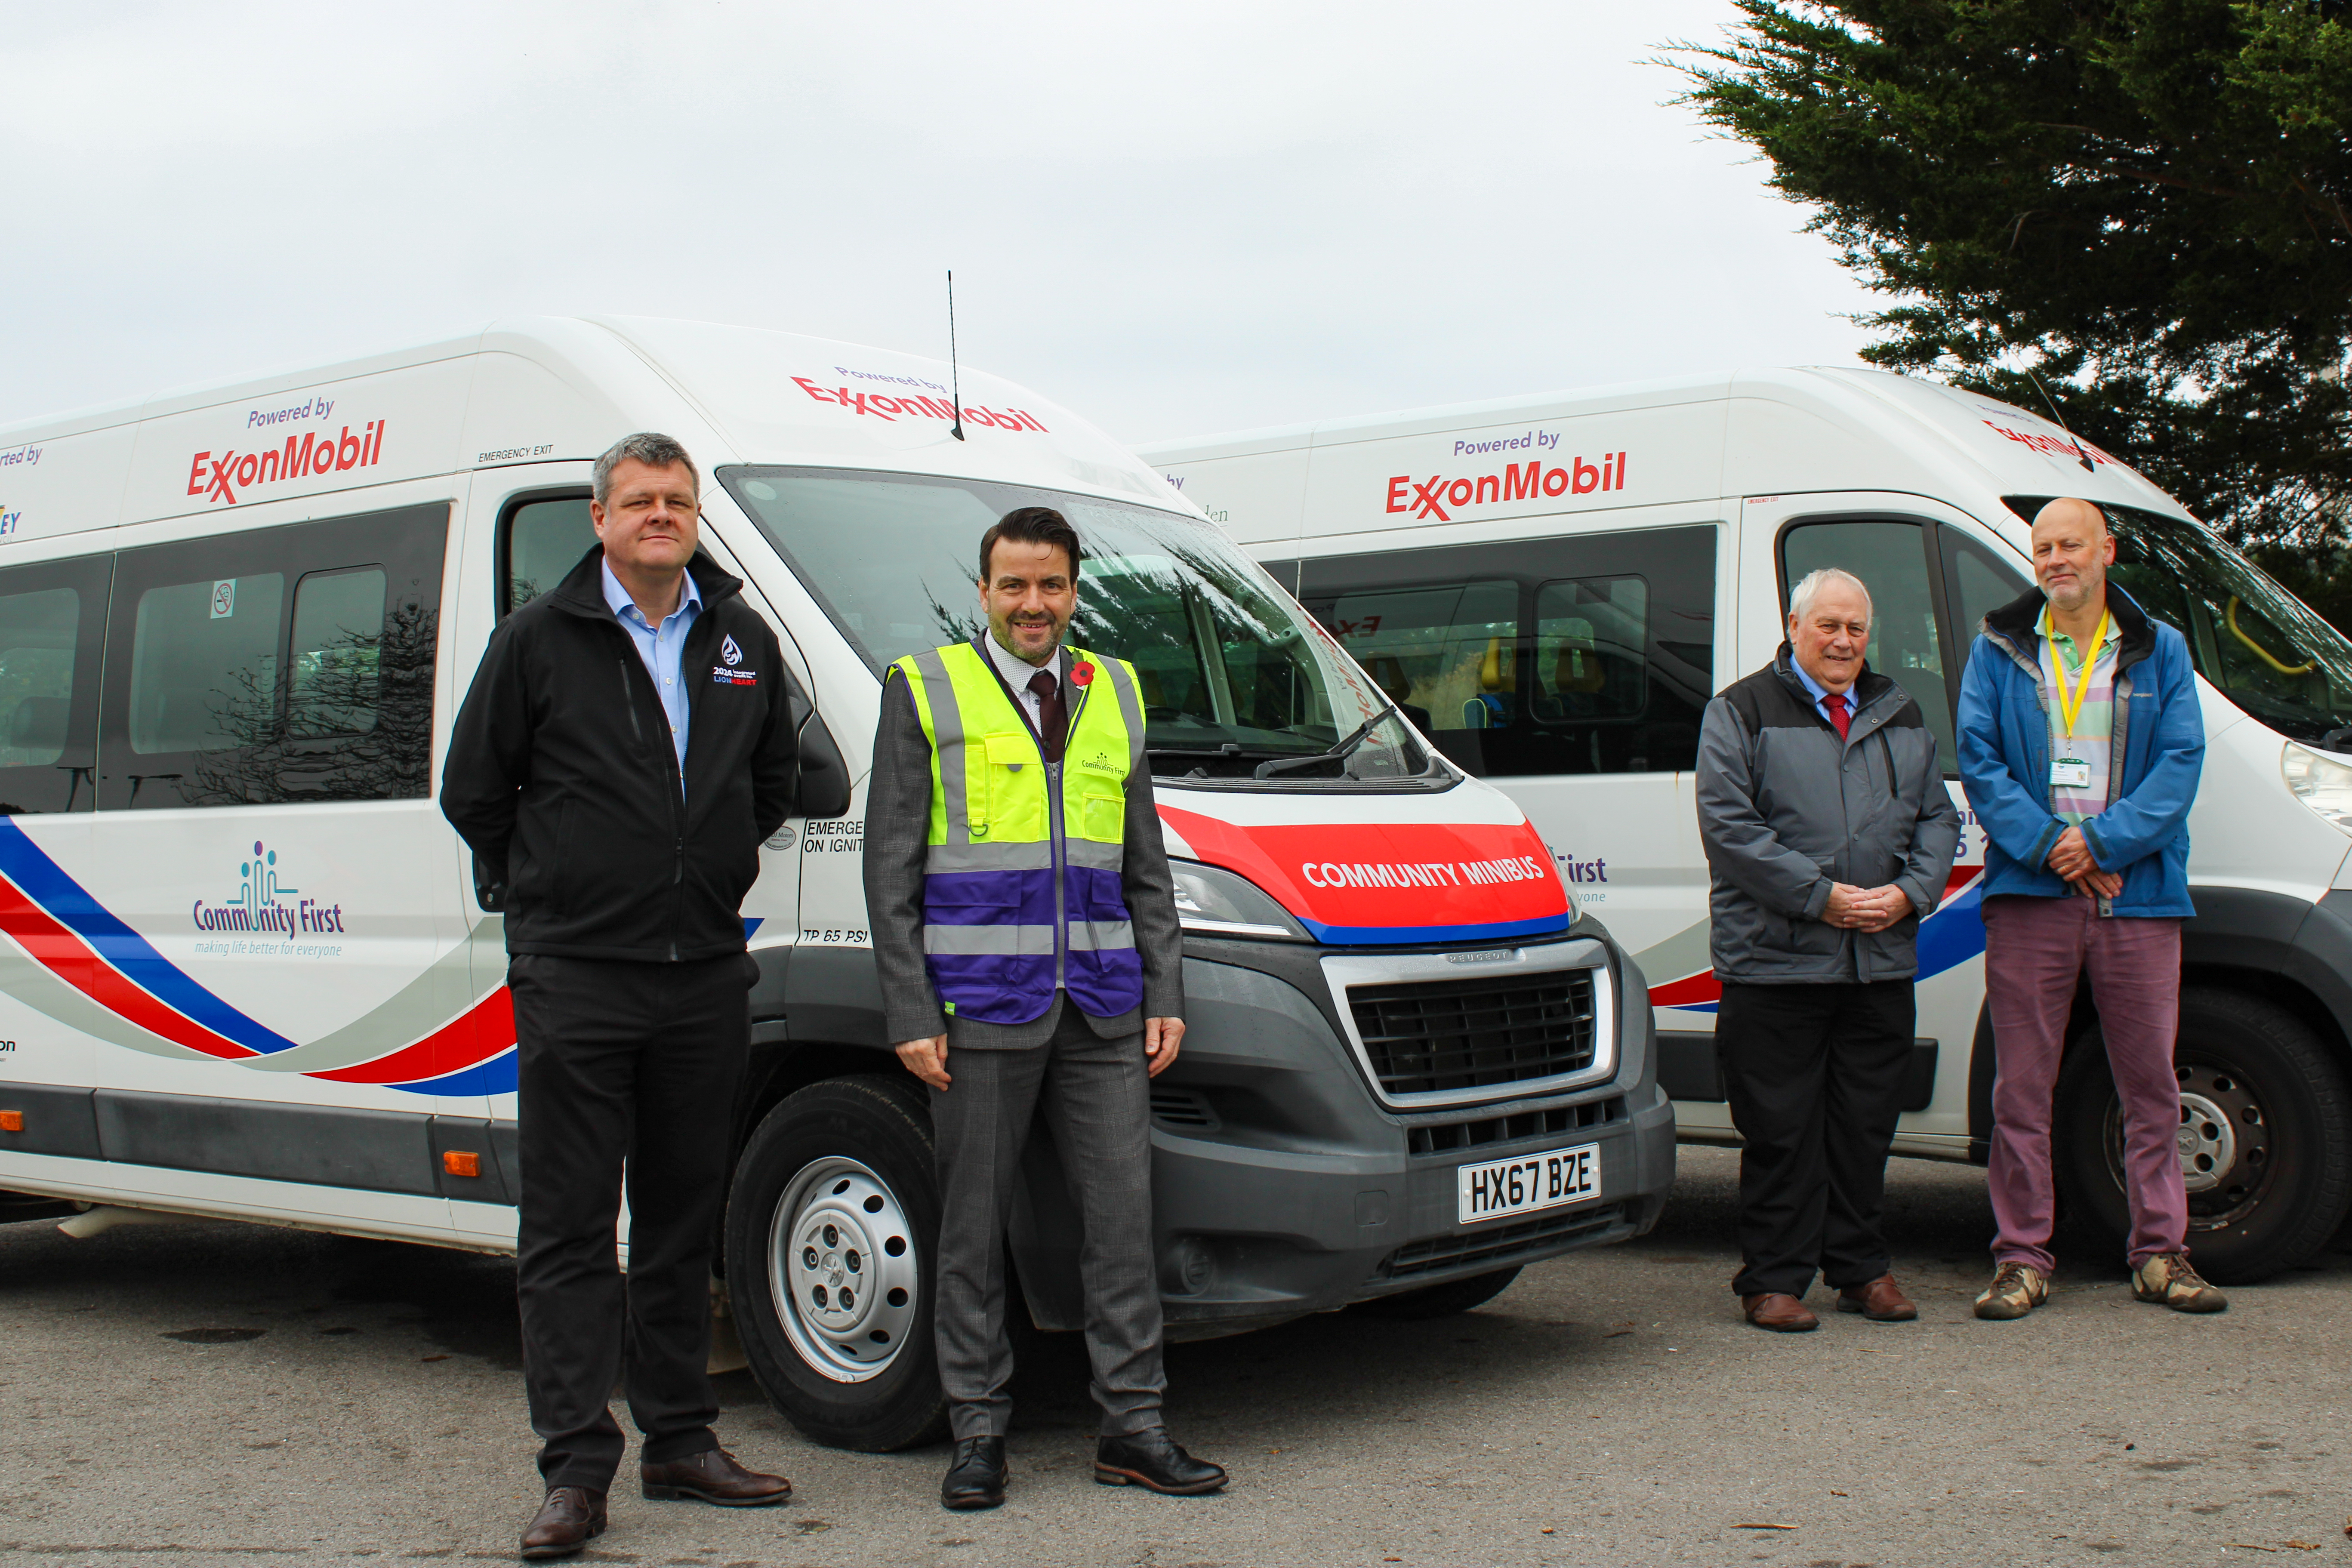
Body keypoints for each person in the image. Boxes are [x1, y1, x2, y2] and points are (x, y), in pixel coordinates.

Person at [442, 433, 801, 1561]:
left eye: (678, 500)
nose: (661, 515)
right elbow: (473, 789)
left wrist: (714, 859)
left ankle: (682, 1439)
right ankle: (574, 1469)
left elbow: (777, 779)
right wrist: (550, 899)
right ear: (597, 517)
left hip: (702, 975)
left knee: (679, 1221)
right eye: (640, 499)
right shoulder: (537, 639)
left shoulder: (740, 636)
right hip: (579, 979)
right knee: (566, 1228)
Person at [864, 505, 1227, 1510]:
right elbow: (888, 864)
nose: (1035, 604)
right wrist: (909, 1008)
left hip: (1106, 1005)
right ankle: (978, 1433)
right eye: (1015, 585)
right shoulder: (926, 687)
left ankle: (1134, 1426)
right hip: (977, 1007)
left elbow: (1145, 862)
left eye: (1053, 585)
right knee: (973, 1232)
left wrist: (1167, 987)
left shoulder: (1112, 688)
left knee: (1122, 1223)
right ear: (983, 590)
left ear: (1075, 591)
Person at [1956, 496, 2223, 1320]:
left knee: (2148, 1086)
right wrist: (2049, 846)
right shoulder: (1998, 648)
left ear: (2107, 550)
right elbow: (1980, 758)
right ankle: (2022, 1257)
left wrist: (2100, 845)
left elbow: (2181, 764)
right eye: (2043, 548)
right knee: (2021, 1090)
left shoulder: (2161, 649)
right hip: (2031, 892)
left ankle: (2160, 1253)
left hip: (2136, 894)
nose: (2055, 559)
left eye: (2070, 544)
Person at [1696, 567, 1961, 1332]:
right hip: (1777, 960)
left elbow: (1938, 818)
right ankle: (1774, 1279)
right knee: (1781, 1126)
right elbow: (1731, 829)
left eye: (1857, 628)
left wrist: (1910, 892)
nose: (1844, 641)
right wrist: (1825, 897)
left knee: (1865, 1125)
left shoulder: (1899, 710)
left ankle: (1861, 1269)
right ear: (1793, 625)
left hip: (1877, 960)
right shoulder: (1740, 709)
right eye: (1829, 626)